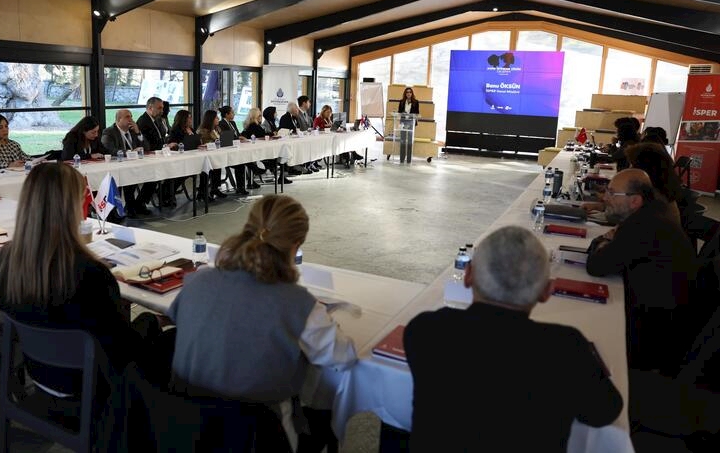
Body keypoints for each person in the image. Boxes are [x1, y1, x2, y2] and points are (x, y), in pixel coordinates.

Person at [404, 225, 623, 452]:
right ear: (546, 291)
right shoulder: (565, 346)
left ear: (468, 275)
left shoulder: (425, 329)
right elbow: (604, 413)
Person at [168, 195, 357, 451]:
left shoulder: (196, 282)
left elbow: (180, 322)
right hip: (261, 436)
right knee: (319, 406)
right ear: (296, 246)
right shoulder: (299, 304)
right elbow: (343, 357)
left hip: (184, 429)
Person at [0, 162, 172, 398]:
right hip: (94, 388)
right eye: (83, 198)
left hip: (40, 375)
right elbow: (124, 350)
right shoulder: (89, 273)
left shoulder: (8, 258)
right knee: (171, 336)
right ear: (72, 206)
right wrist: (154, 320)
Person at [585, 168, 696, 373]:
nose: (605, 198)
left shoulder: (642, 225)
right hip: (666, 319)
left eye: (611, 193)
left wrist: (603, 241)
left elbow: (596, 265)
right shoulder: (653, 212)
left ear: (634, 201)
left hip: (652, 337)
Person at [100, 109, 155, 217]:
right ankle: (129, 207)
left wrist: (138, 132)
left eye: (131, 116)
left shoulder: (133, 131)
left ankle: (139, 204)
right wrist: (129, 152)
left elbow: (147, 147)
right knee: (129, 175)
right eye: (127, 117)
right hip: (119, 166)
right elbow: (109, 150)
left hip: (136, 164)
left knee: (154, 175)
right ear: (119, 119)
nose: (131, 119)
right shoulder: (109, 132)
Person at [136, 97, 177, 207]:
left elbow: (162, 137)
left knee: (176, 169)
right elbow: (147, 144)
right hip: (148, 156)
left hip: (160, 153)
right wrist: (165, 145)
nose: (162, 111)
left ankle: (164, 194)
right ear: (150, 108)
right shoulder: (143, 121)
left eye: (162, 108)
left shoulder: (158, 120)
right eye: (159, 108)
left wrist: (166, 145)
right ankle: (141, 203)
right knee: (154, 175)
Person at [242, 107, 291, 185]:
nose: (261, 118)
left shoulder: (255, 125)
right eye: (259, 116)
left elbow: (263, 135)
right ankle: (280, 176)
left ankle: (281, 176)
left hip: (258, 149)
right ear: (255, 117)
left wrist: (271, 134)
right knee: (281, 154)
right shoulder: (253, 126)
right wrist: (272, 134)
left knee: (281, 153)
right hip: (258, 151)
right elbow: (261, 136)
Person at [218, 105, 253, 194]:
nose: (234, 114)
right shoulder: (221, 124)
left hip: (237, 146)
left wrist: (240, 137)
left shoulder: (233, 123)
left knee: (243, 160)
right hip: (228, 149)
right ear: (226, 114)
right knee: (240, 163)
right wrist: (237, 139)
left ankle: (241, 186)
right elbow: (227, 137)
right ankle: (240, 186)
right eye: (232, 112)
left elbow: (237, 134)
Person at [196, 110, 226, 201]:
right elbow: (205, 143)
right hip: (204, 157)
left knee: (218, 166)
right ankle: (202, 192)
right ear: (211, 119)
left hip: (215, 155)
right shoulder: (203, 131)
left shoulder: (217, 129)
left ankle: (215, 188)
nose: (218, 119)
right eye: (216, 118)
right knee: (206, 171)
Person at [397, 87, 419, 164]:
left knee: (409, 142)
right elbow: (399, 112)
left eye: (410, 92)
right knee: (402, 141)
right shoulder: (402, 102)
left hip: (411, 123)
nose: (408, 93)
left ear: (412, 93)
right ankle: (402, 159)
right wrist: (403, 113)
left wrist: (411, 115)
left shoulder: (416, 102)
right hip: (403, 122)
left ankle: (409, 160)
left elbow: (417, 113)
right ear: (405, 94)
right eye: (407, 92)